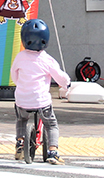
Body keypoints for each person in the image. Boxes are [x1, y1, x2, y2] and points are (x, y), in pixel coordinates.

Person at [10, 19, 70, 165]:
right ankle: (52, 152)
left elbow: (14, 75)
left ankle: (19, 143)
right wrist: (66, 84)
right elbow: (60, 76)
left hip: (22, 100)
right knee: (51, 125)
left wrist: (21, 85)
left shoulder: (20, 57)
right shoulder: (47, 60)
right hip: (41, 102)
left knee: (21, 119)